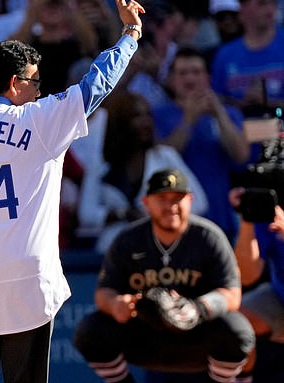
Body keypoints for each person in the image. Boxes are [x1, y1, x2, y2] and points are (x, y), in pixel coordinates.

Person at [0, 0, 144, 382]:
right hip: (25, 281)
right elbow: (96, 86)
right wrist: (129, 37)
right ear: (14, 84)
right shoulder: (37, 120)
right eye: (35, 81)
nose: (40, 90)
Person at [73, 169, 255, 383]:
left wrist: (198, 308)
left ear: (190, 200)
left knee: (237, 328)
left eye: (178, 198)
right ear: (146, 202)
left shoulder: (209, 237)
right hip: (145, 335)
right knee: (91, 330)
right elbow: (103, 292)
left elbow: (232, 294)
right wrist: (116, 304)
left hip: (196, 336)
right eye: (162, 198)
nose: (171, 207)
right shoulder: (128, 239)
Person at [77, 90, 208, 253]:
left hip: (162, 250)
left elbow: (199, 202)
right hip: (112, 252)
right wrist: (121, 214)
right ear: (120, 123)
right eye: (137, 116)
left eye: (148, 115)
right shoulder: (101, 165)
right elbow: (86, 214)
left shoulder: (165, 157)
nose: (146, 122)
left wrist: (159, 212)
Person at [154, 46, 250, 241]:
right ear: (172, 80)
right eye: (182, 73)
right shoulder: (158, 115)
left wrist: (219, 115)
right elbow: (164, 158)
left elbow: (241, 155)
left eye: (196, 72)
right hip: (175, 220)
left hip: (220, 219)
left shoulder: (229, 114)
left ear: (208, 78)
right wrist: (189, 119)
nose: (190, 79)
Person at [229, 187, 284, 382]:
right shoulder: (272, 207)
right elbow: (246, 277)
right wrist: (247, 219)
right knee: (232, 324)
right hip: (279, 298)